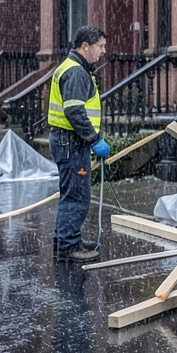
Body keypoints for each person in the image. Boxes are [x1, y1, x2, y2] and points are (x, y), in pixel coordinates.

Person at [48, 25, 110, 263]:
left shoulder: (72, 68)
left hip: (68, 141)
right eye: (100, 46)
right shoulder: (75, 72)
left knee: (71, 193)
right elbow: (74, 110)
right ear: (85, 46)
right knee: (77, 196)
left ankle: (65, 239)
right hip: (71, 143)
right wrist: (94, 140)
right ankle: (68, 245)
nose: (103, 51)